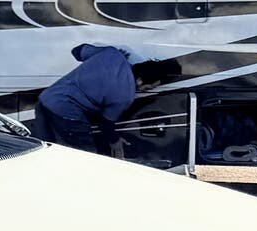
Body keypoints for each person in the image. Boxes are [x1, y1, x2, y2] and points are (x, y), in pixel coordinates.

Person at [34, 46, 185, 154]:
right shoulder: (125, 95)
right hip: (67, 113)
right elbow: (106, 122)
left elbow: (78, 51)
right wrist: (115, 142)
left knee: (41, 153)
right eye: (150, 87)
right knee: (84, 155)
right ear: (140, 80)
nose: (148, 90)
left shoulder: (112, 54)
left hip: (45, 99)